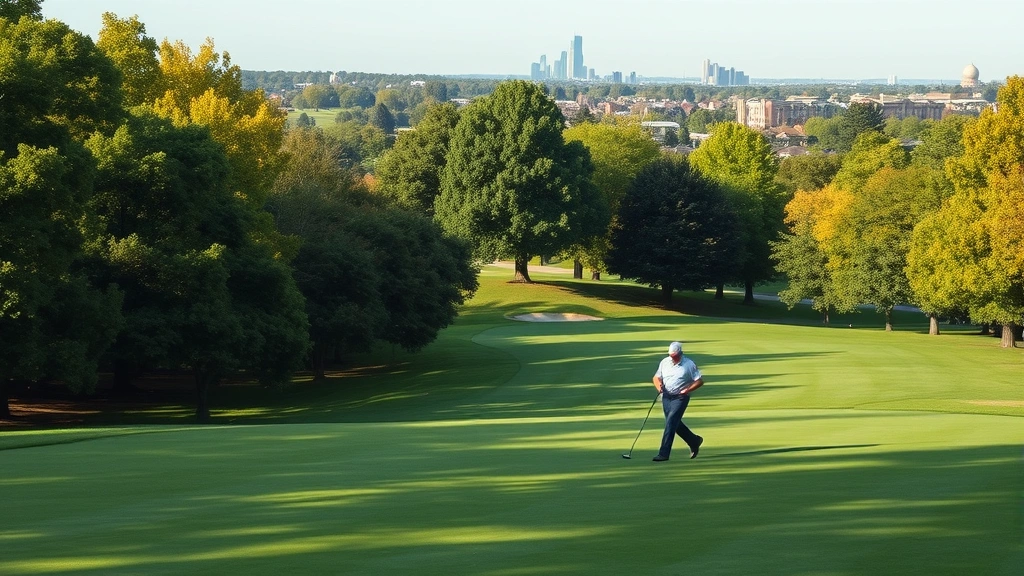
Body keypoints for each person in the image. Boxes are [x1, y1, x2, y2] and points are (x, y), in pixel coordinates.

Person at [652, 341, 704, 462]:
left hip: (680, 398)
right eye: (671, 355)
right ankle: (694, 441)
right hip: (666, 396)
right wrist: (659, 386)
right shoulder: (664, 362)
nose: (672, 358)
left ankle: (663, 453)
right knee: (674, 424)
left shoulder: (689, 364)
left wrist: (687, 390)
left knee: (670, 422)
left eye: (674, 355)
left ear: (680, 353)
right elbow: (656, 377)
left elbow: (699, 381)